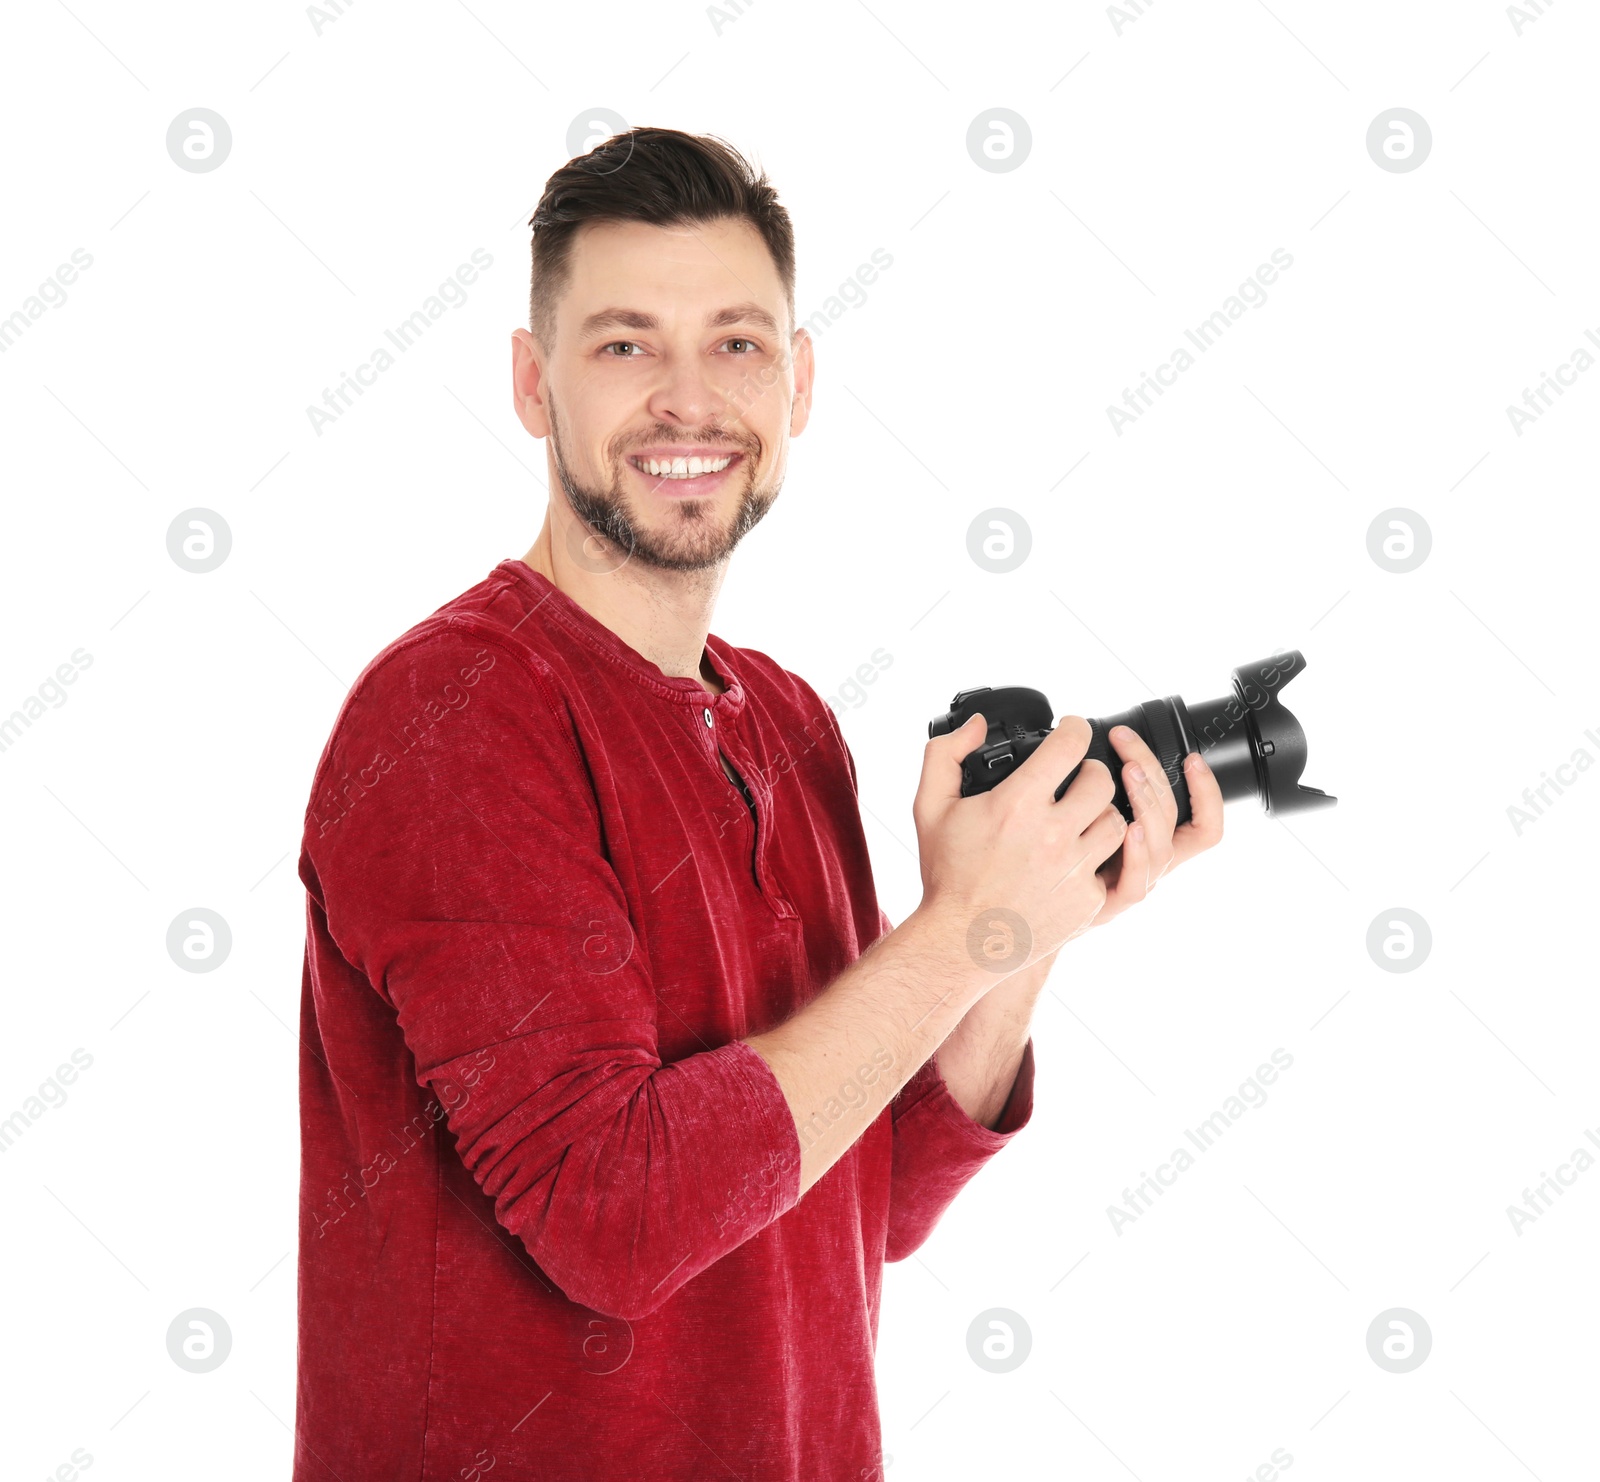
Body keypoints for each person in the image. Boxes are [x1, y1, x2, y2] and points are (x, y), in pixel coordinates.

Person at [292, 125, 1224, 1481]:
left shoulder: (786, 723)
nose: (687, 399)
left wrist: (1025, 925)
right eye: (623, 344)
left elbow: (864, 1188)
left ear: (797, 384)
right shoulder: (455, 717)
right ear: (530, 384)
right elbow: (617, 1218)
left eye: (735, 343)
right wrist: (962, 925)